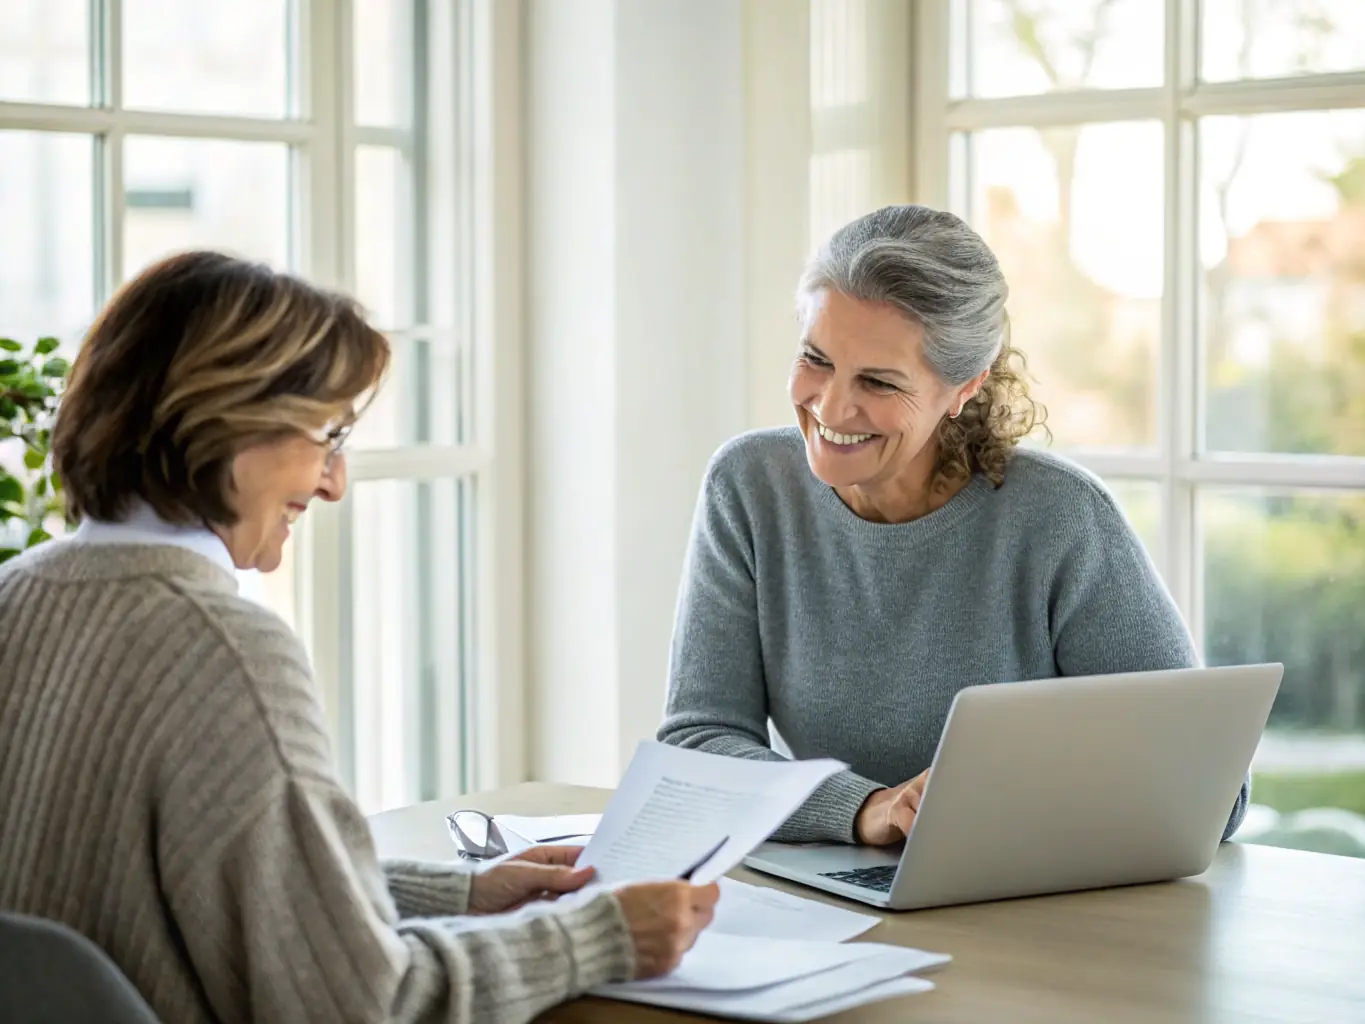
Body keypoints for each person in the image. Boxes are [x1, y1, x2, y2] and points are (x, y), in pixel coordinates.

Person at [0, 252, 719, 1024]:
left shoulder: (21, 594)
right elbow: (363, 1004)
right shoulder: (224, 647)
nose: (335, 481)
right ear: (231, 424)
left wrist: (459, 890)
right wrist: (596, 935)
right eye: (326, 436)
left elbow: (174, 887)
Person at [659, 204, 1248, 848]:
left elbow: (1212, 793)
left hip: (1028, 901)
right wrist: (868, 810)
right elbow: (697, 745)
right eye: (816, 359)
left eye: (878, 382)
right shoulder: (748, 486)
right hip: (832, 890)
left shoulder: (1059, 521)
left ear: (965, 388)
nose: (830, 405)